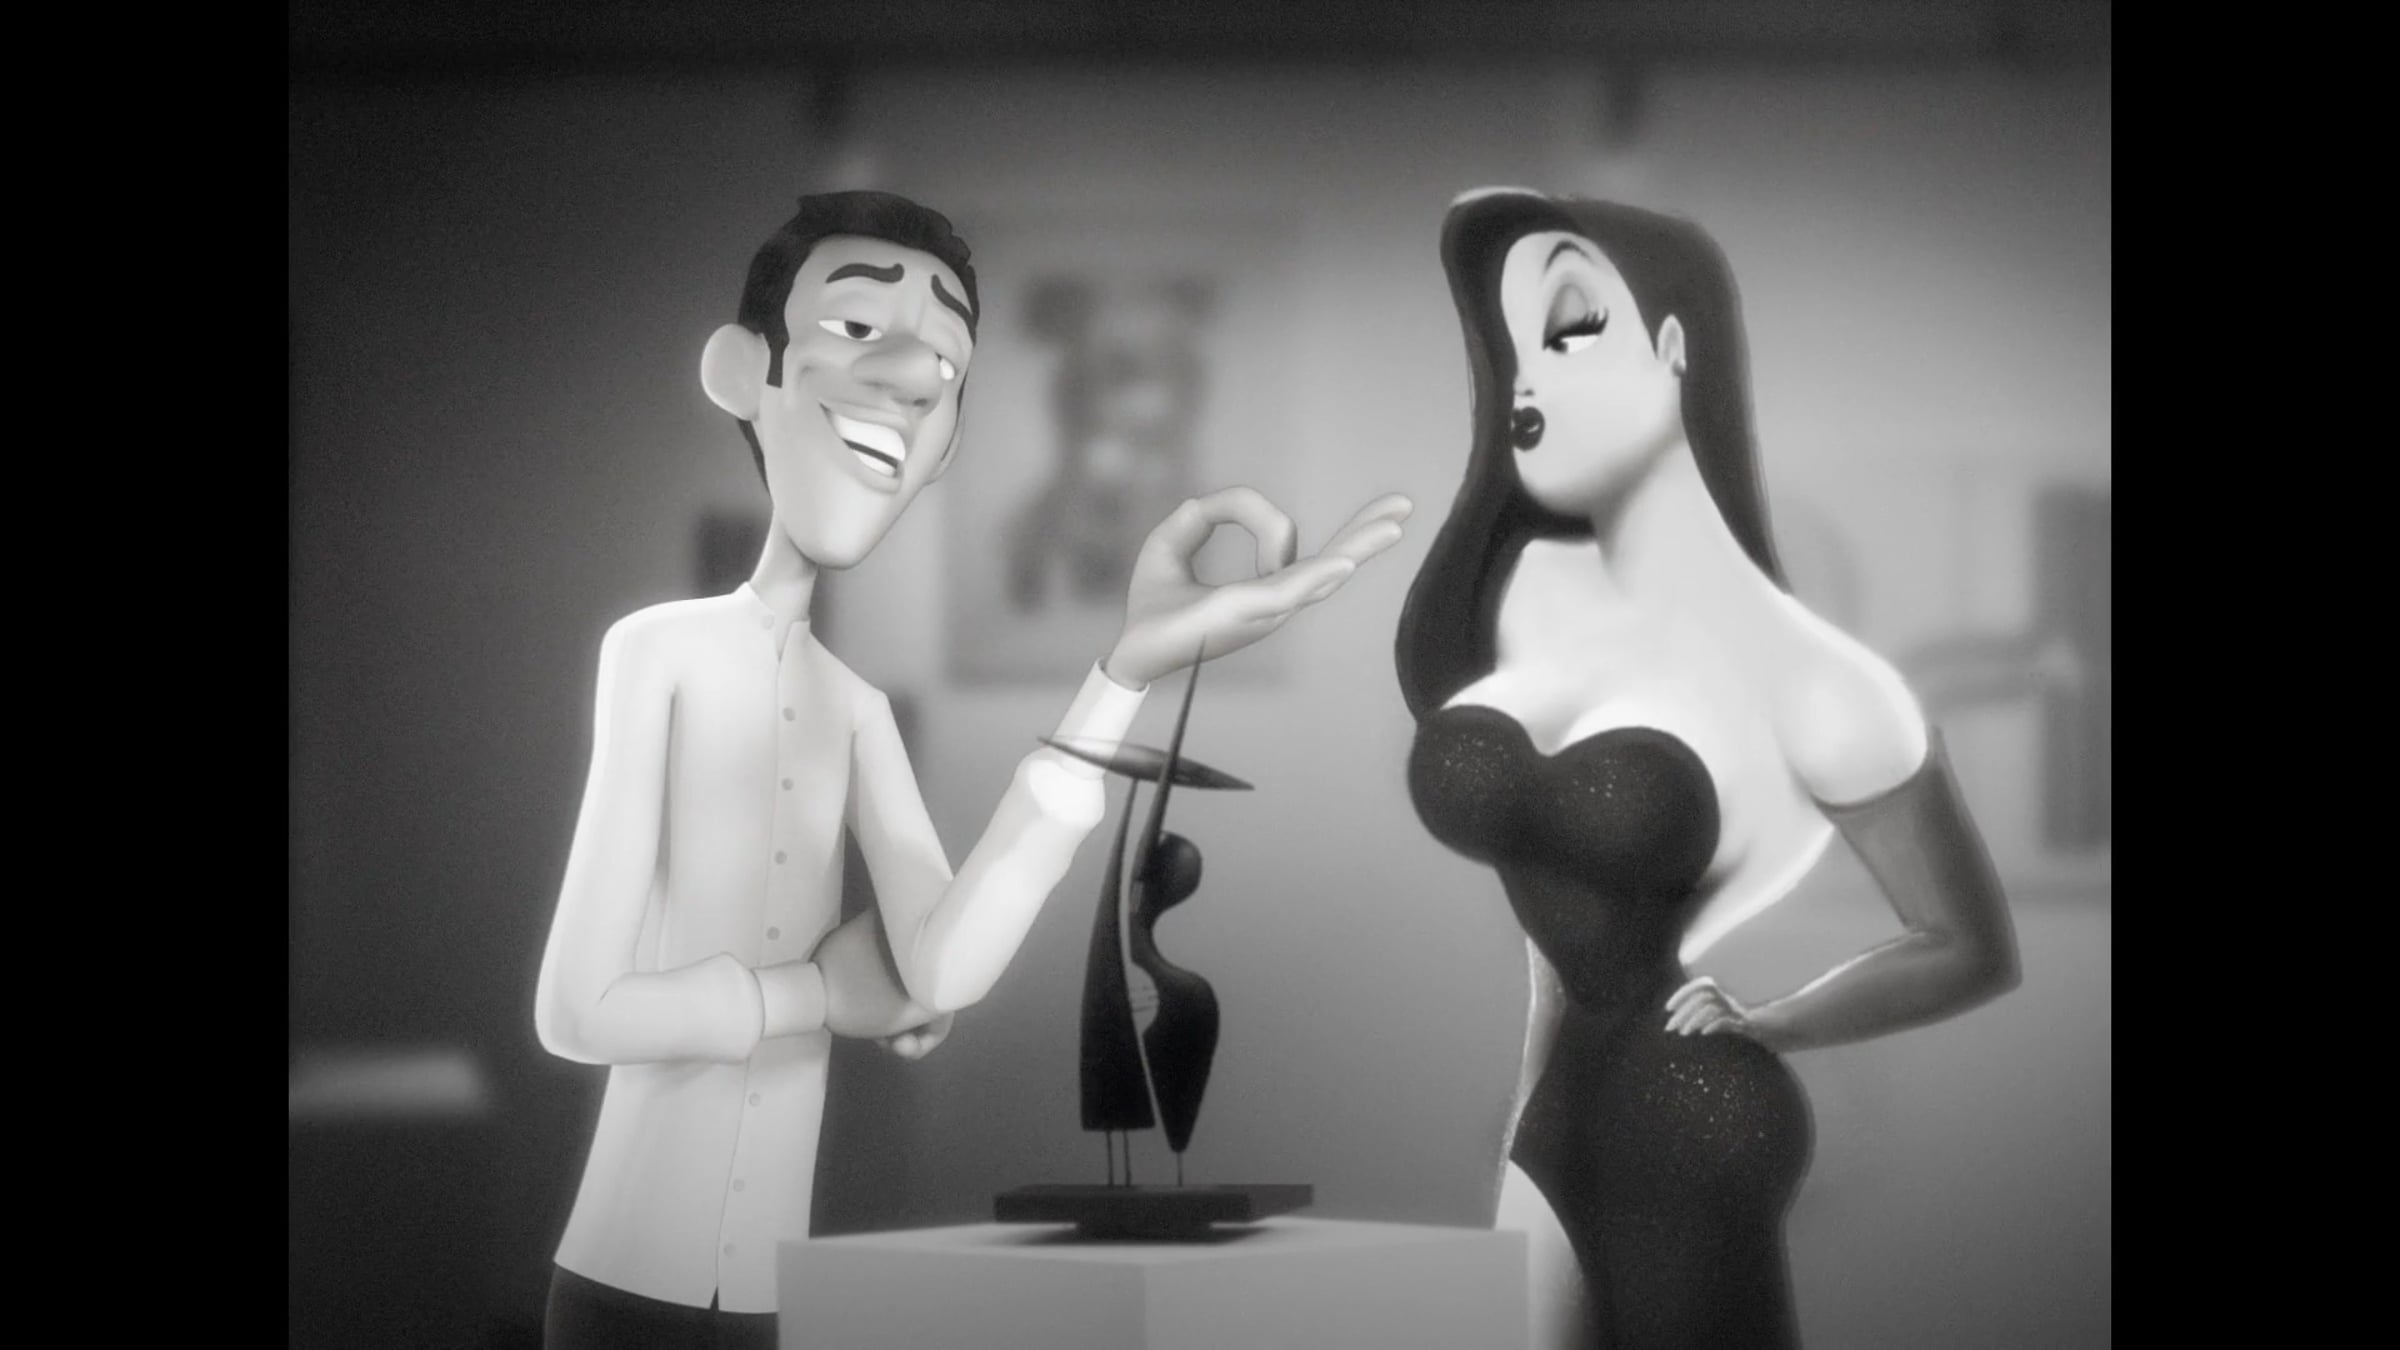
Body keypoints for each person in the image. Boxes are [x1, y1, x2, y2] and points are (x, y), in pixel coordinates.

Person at [535, 189, 1411, 1350]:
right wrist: (817, 997)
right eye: (857, 328)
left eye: (944, 365)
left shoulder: (857, 712)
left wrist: (1125, 672)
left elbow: (944, 967)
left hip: (764, 1301)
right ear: (745, 371)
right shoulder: (658, 653)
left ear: (944, 444)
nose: (909, 378)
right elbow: (577, 1010)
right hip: (618, 1280)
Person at [1394, 188, 2019, 1350]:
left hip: (1690, 1115)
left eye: (1568, 327)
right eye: (1512, 349)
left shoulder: (1819, 683)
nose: (1525, 380)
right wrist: (1525, 1117)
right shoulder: (1525, 596)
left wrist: (1780, 1021)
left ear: (1676, 345)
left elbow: (1965, 943)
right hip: (1555, 1112)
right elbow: (1552, 951)